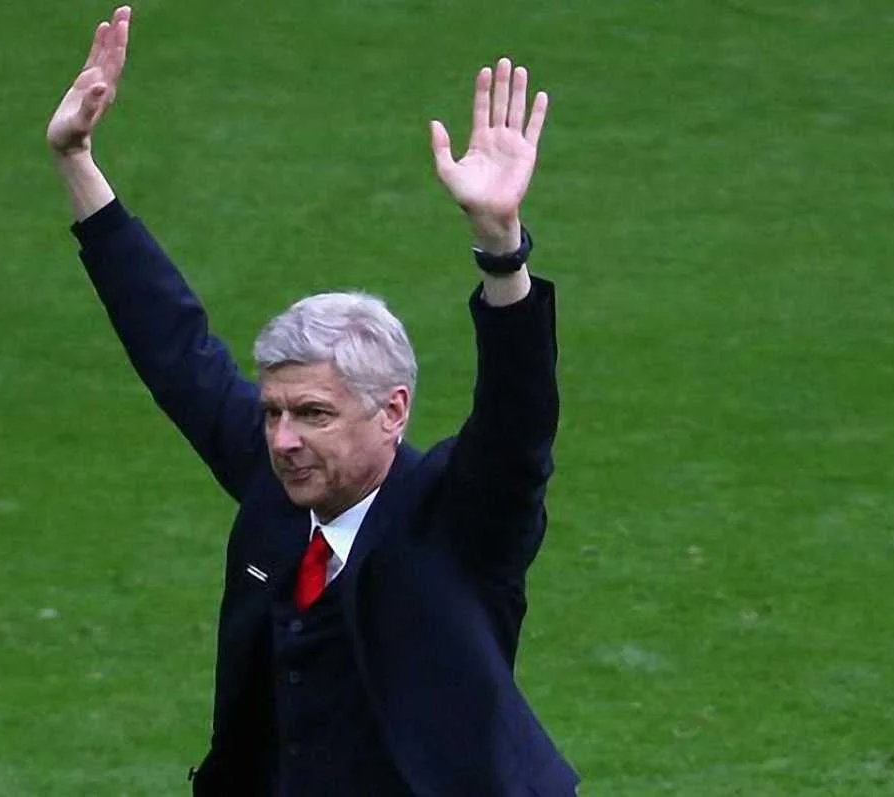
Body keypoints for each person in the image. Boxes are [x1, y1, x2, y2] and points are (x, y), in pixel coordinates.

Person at [47, 6, 580, 795]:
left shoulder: (462, 517)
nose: (284, 438)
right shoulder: (278, 486)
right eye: (275, 411)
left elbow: (518, 415)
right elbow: (174, 347)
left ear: (392, 411)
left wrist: (502, 249)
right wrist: (76, 161)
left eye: (314, 414)